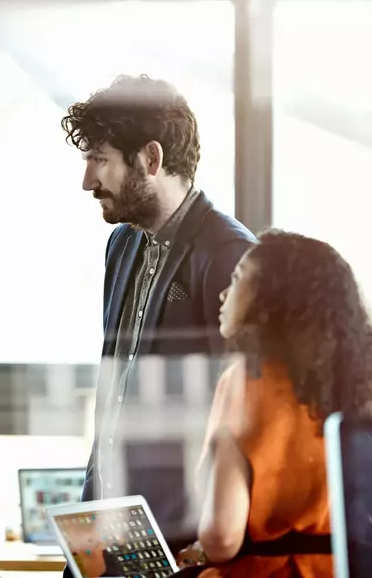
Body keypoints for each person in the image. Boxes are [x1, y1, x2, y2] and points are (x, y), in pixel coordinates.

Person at [60, 74, 255, 507]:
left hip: (186, 534)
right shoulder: (123, 242)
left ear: (151, 158)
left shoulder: (230, 253)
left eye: (99, 159)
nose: (88, 181)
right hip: (113, 521)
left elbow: (245, 418)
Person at [175, 230, 372, 576]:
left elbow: (221, 536)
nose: (223, 293)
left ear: (271, 297)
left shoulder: (247, 381)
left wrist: (200, 549)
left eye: (237, 279)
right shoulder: (359, 382)